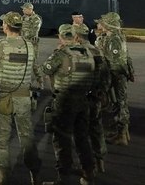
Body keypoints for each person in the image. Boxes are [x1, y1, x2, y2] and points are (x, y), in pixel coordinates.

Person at [0, 12, 41, 185]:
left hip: (2, 98)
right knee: (27, 139)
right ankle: (35, 176)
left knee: (1, 140)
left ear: (6, 27)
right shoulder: (30, 46)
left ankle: (2, 178)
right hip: (23, 98)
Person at [41, 24, 96, 185]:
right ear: (75, 36)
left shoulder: (61, 53)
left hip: (65, 102)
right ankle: (88, 174)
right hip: (83, 101)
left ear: (61, 36)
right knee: (82, 138)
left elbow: (46, 69)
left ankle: (63, 178)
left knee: (62, 140)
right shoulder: (87, 53)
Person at [73, 22, 111, 174]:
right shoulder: (97, 51)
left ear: (76, 36)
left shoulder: (77, 52)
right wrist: (102, 92)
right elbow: (106, 75)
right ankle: (100, 161)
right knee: (96, 129)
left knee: (81, 132)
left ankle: (86, 166)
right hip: (95, 97)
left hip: (80, 98)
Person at [95, 12, 134, 145]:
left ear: (108, 25)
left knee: (120, 103)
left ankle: (122, 134)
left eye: (103, 22)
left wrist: (107, 81)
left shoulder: (114, 39)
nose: (100, 24)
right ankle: (122, 133)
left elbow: (115, 63)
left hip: (115, 76)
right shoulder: (113, 37)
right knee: (119, 103)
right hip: (117, 75)